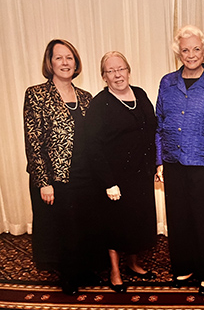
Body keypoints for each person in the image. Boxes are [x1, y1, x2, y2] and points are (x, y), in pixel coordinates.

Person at [155, 25, 204, 296]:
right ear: (179, 52)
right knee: (178, 219)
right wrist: (159, 160)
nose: (191, 54)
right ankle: (183, 267)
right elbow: (158, 123)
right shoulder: (166, 82)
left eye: (196, 49)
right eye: (185, 50)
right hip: (173, 162)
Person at [24, 39, 102, 295]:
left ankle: (85, 270)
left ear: (76, 62)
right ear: (50, 63)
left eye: (69, 57)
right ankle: (69, 278)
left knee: (85, 225)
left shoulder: (86, 97)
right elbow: (33, 140)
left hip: (85, 174)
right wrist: (43, 181)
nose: (65, 62)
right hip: (56, 176)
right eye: (59, 58)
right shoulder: (36, 94)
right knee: (64, 228)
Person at [86, 51, 157, 293]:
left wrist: (157, 164)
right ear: (103, 76)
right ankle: (115, 271)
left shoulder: (140, 94)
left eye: (121, 68)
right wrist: (108, 182)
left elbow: (152, 130)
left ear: (128, 70)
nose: (117, 74)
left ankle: (133, 263)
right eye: (111, 71)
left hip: (141, 174)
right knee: (115, 224)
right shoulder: (99, 104)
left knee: (137, 221)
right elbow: (92, 146)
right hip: (114, 178)